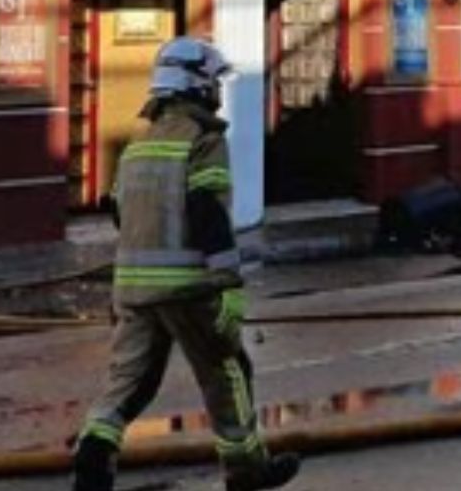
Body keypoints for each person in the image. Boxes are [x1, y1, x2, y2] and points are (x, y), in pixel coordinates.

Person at [72, 37, 301, 491]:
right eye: (213, 82)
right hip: (189, 289)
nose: (217, 91)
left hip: (133, 291)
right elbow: (206, 210)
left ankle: (92, 463)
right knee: (227, 370)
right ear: (196, 85)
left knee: (128, 383)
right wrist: (228, 282)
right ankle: (246, 470)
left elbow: (119, 211)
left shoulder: (137, 148)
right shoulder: (203, 140)